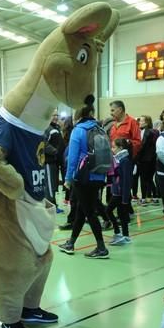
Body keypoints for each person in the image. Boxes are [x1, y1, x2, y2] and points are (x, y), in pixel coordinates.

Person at [58, 97, 109, 259]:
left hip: (83, 177)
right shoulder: (100, 129)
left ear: (78, 114)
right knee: (81, 210)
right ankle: (71, 243)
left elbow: (72, 159)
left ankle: (101, 247)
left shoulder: (78, 130)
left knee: (89, 212)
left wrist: (68, 178)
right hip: (98, 175)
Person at [106, 138, 132, 246]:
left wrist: (126, 198)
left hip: (121, 194)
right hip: (117, 192)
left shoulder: (124, 160)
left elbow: (126, 180)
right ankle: (123, 235)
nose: (112, 149)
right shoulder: (117, 159)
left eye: (114, 147)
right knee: (121, 214)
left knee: (111, 211)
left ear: (121, 148)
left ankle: (122, 235)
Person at [44, 111, 65, 207]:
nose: (56, 117)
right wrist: (55, 152)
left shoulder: (56, 128)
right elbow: (43, 143)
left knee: (54, 184)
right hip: (49, 161)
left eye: (57, 115)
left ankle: (53, 204)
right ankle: (51, 205)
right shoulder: (46, 128)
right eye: (54, 115)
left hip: (56, 162)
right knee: (49, 185)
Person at [135, 116, 157, 204]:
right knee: (149, 179)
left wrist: (135, 154)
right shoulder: (145, 131)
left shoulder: (148, 132)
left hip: (146, 160)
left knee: (144, 179)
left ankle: (144, 198)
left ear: (146, 123)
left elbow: (142, 146)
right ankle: (154, 196)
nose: (139, 122)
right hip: (148, 159)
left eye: (141, 120)